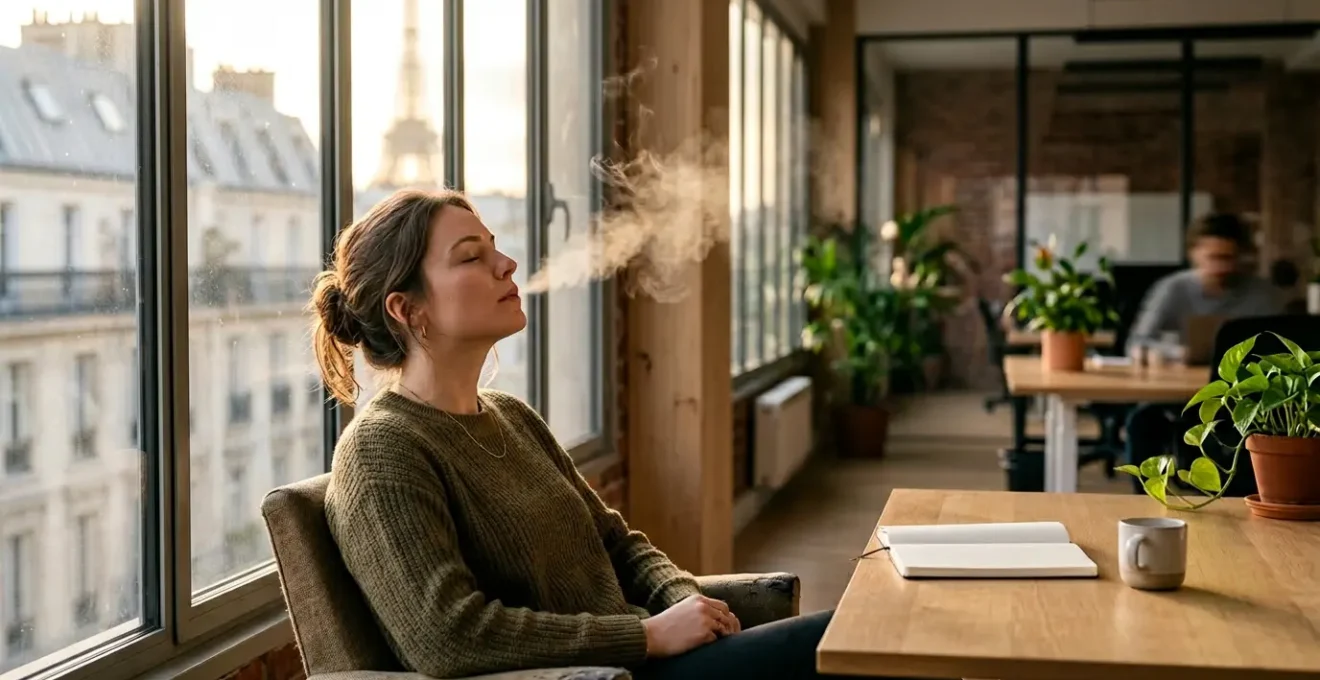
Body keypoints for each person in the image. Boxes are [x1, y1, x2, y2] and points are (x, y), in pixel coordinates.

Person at [312, 189, 841, 680]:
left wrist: (684, 602)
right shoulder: (382, 449)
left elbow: (616, 543)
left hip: (647, 661)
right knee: (851, 645)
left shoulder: (511, 416)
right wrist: (645, 635)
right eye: (472, 257)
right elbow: (446, 636)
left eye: (495, 248)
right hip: (611, 673)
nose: (507, 265)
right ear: (407, 309)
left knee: (860, 640)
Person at [1123, 213, 1283, 492]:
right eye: (1213, 257)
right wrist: (1176, 353)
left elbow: (1282, 348)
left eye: (1228, 258)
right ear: (1194, 254)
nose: (1221, 266)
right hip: (1178, 395)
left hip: (1243, 398)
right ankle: (1148, 500)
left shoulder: (1262, 295)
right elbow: (1138, 341)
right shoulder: (1173, 289)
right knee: (1142, 422)